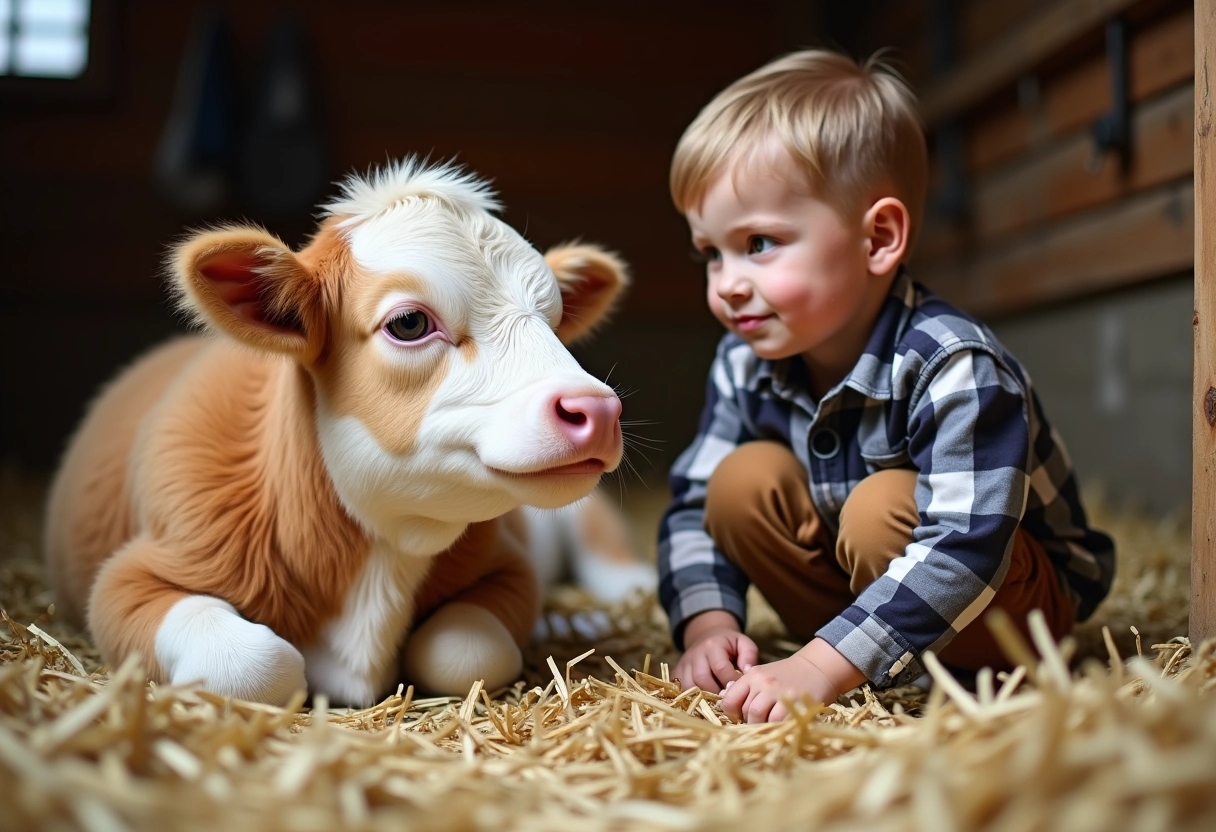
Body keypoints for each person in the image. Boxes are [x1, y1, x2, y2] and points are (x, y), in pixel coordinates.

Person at [656, 49, 1115, 724]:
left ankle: (853, 658)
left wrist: (816, 665)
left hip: (1009, 605)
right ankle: (860, 651)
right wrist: (705, 625)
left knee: (881, 511)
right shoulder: (741, 360)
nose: (726, 283)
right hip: (866, 592)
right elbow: (694, 508)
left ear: (877, 238)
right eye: (710, 252)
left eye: (758, 243)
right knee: (737, 481)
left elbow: (965, 544)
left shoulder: (953, 360)